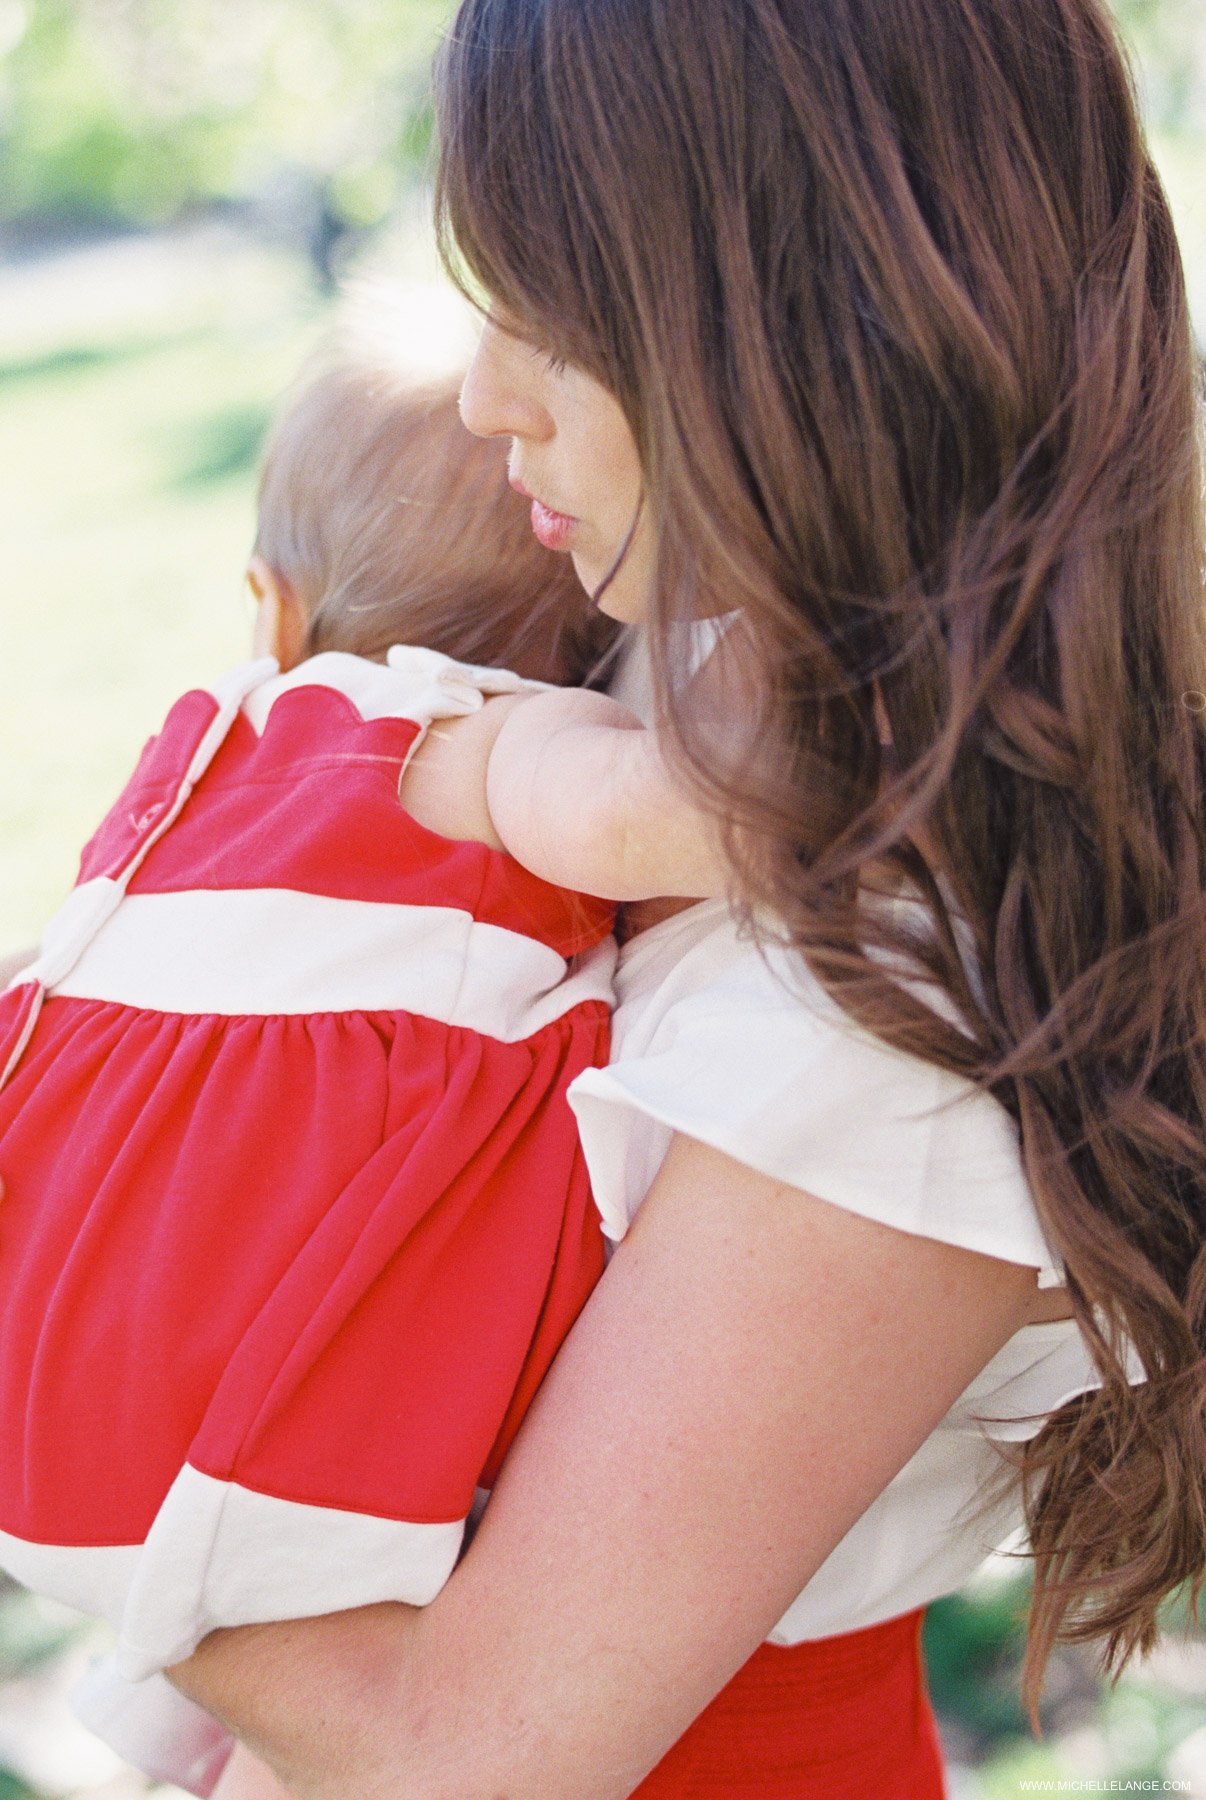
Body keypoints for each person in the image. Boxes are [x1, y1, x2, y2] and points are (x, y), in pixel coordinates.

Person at [154, 1, 1205, 1796]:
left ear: (789, 314)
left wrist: (74, 1381)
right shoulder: (679, 672)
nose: (486, 399)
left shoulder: (896, 1008)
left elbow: (452, 1760)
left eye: (551, 307)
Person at [0, 339, 734, 1792]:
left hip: (77, 1382)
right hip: (315, 1425)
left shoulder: (204, 759)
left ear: (273, 611)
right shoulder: (479, 738)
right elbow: (643, 824)